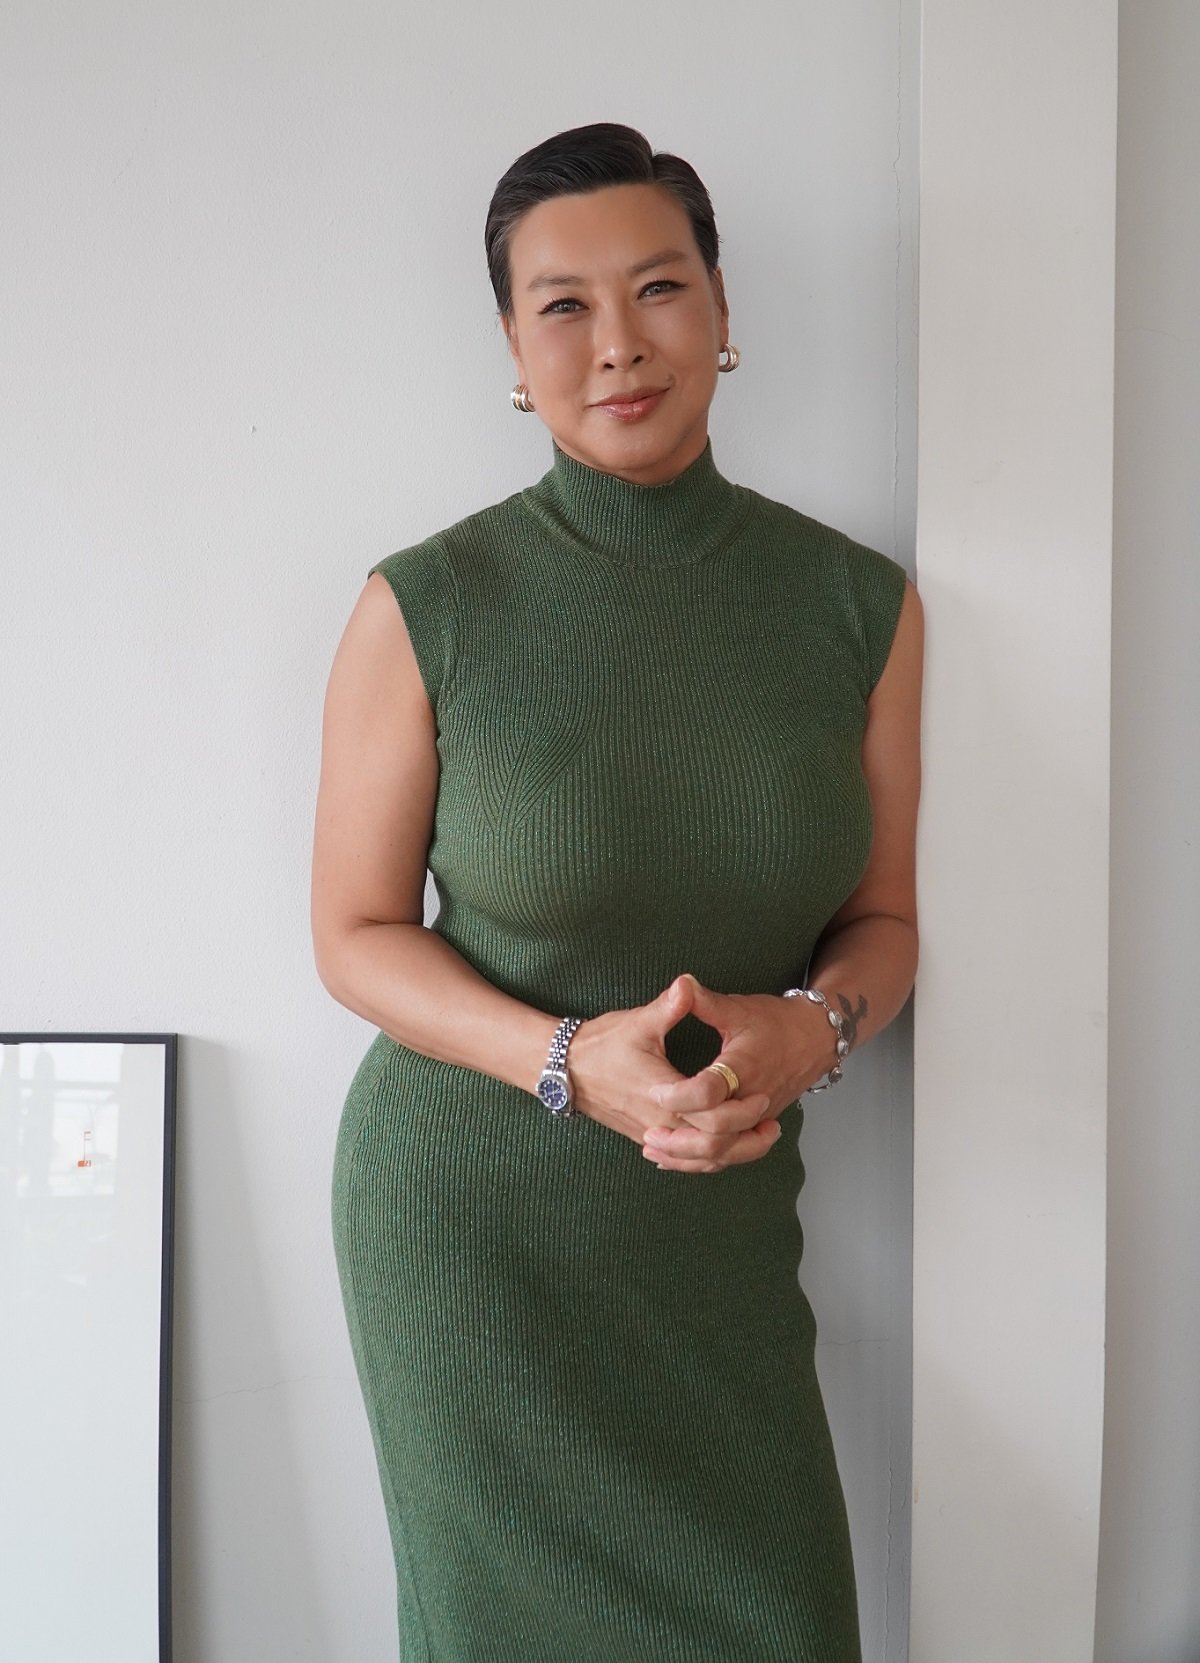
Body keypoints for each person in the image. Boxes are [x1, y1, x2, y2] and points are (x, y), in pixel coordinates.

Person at [311, 121, 923, 1663]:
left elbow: (884, 921)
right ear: (513, 351)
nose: (618, 343)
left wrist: (814, 1031)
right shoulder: (428, 603)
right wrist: (571, 1062)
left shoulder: (856, 605)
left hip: (716, 1237)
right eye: (562, 306)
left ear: (721, 308)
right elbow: (354, 936)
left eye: (657, 287)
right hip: (478, 1236)